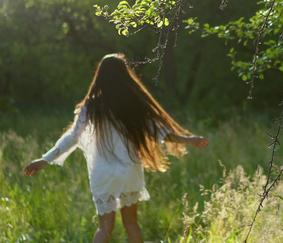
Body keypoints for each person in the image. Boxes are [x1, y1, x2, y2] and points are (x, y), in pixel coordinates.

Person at [24, 53, 208, 243]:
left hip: (103, 174)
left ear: (100, 76)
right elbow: (157, 131)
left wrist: (45, 159)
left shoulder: (91, 105)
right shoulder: (133, 103)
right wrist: (188, 140)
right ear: (125, 75)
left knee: (104, 228)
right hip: (129, 171)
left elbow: (72, 136)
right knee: (131, 223)